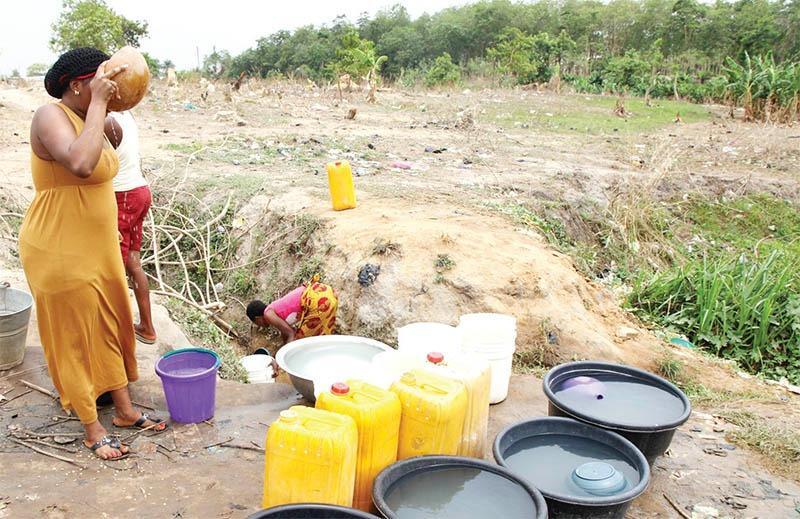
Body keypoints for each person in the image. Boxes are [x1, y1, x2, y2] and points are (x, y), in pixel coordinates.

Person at [18, 48, 166, 461]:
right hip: (59, 247)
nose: (109, 90)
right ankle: (91, 426)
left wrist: (105, 113)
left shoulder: (94, 119)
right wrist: (100, 104)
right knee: (75, 335)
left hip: (97, 249)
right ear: (77, 84)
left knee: (108, 323)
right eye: (99, 82)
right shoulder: (50, 117)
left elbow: (108, 154)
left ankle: (122, 410)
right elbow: (81, 164)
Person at [104, 110, 156, 344]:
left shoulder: (107, 121)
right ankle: (146, 327)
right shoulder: (127, 114)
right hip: (140, 190)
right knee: (132, 261)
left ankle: (119, 332)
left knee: (113, 264)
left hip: (123, 195)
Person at [247, 277, 338, 345]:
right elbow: (285, 333)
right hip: (325, 292)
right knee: (320, 339)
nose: (260, 326)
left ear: (257, 318)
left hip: (317, 300)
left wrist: (282, 359)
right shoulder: (274, 310)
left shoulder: (268, 314)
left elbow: (291, 333)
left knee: (302, 344)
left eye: (257, 323)